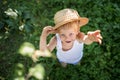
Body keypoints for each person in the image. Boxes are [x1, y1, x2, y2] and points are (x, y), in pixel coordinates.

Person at [33, 8, 102, 67]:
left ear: (77, 31)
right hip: (62, 58)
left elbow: (86, 40)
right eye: (63, 34)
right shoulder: (56, 39)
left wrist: (90, 38)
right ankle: (64, 64)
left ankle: (76, 63)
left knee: (76, 62)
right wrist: (43, 36)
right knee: (63, 63)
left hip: (76, 57)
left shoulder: (79, 36)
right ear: (58, 33)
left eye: (71, 34)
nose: (67, 38)